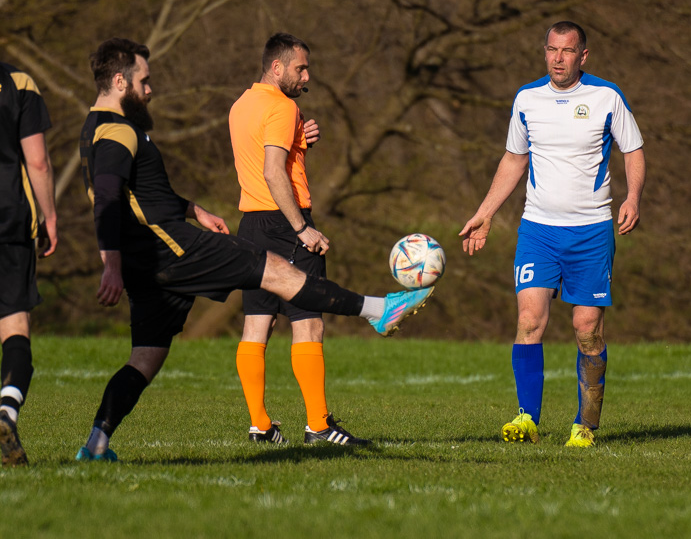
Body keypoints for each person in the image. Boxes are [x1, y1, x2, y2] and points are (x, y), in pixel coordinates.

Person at [75, 38, 432, 461]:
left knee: (147, 357)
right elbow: (108, 197)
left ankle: (96, 444)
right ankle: (379, 311)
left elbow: (142, 194)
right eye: (144, 80)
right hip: (176, 247)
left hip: (158, 256)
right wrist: (108, 263)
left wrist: (195, 209)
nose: (150, 89)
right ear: (120, 80)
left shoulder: (103, 127)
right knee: (284, 278)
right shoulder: (119, 131)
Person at [460, 21, 646, 448]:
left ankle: (586, 423)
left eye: (567, 51)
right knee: (528, 320)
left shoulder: (606, 97)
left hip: (591, 231)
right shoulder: (527, 99)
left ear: (583, 56)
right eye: (551, 50)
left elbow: (633, 150)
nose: (558, 58)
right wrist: (485, 213)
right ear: (544, 52)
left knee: (587, 330)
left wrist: (633, 196)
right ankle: (527, 418)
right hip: (538, 229)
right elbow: (513, 159)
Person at [229, 33, 368, 446]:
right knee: (308, 325)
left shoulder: (242, 104)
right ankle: (319, 427)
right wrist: (302, 228)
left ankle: (260, 425)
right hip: (285, 225)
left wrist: (298, 140)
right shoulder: (282, 106)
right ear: (277, 67)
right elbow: (274, 172)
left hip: (251, 225)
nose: (306, 76)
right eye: (300, 68)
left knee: (257, 324)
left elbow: (262, 157)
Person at [0, 62, 58, 467]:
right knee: (14, 324)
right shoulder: (18, 83)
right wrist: (49, 215)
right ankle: (5, 410)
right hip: (9, 218)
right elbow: (37, 161)